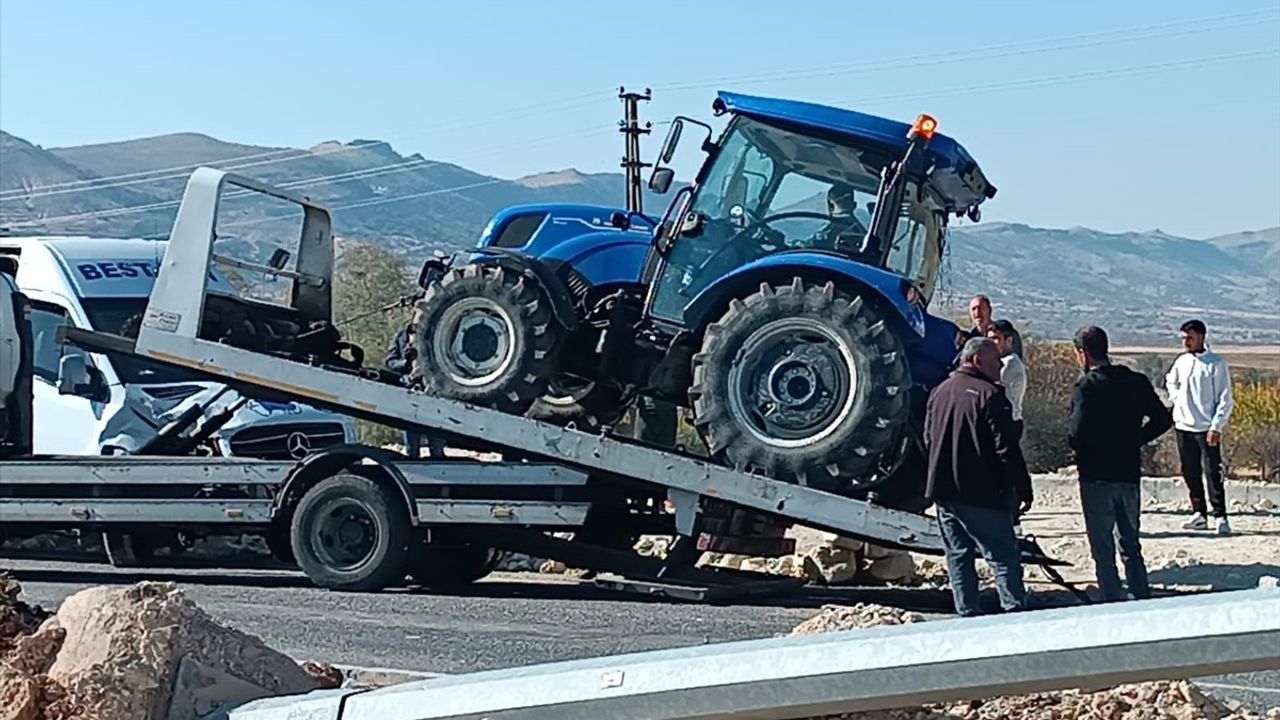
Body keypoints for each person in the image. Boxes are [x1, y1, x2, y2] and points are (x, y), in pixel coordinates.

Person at [925, 336, 1033, 617]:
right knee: (1003, 558)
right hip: (982, 492)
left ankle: (967, 615)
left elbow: (928, 438)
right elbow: (1005, 448)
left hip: (945, 492)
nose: (1000, 367)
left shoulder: (939, 392)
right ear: (977, 360)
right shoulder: (990, 395)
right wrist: (1022, 488)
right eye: (996, 361)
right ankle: (1014, 617)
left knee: (958, 556)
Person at [1068, 326, 1173, 602]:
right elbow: (1163, 419)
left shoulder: (1086, 387)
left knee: (1103, 549)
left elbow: (1076, 435)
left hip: (1096, 476)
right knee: (1130, 543)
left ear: (1083, 353)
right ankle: (1141, 594)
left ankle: (1111, 601)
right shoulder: (1135, 381)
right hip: (1128, 473)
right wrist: (1134, 439)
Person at [1165, 319, 1234, 534]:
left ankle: (1220, 515)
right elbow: (1170, 381)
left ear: (1201, 337)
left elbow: (1225, 397)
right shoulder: (1181, 361)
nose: (1186, 342)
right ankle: (1199, 512)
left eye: (1190, 338)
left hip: (1206, 427)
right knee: (1190, 470)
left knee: (1212, 471)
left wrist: (1216, 426)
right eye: (1183, 338)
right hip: (1183, 425)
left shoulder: (1216, 364)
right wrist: (1176, 399)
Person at [385, 306, 446, 458]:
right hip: (410, 389)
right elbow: (390, 362)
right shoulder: (402, 336)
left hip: (433, 392)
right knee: (412, 443)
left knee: (436, 441)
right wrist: (405, 362)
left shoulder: (437, 334)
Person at [987, 319, 1027, 449]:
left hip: (1008, 421)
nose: (991, 343)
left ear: (1009, 340)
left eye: (996, 338)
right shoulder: (1002, 361)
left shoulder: (1010, 364)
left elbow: (990, 384)